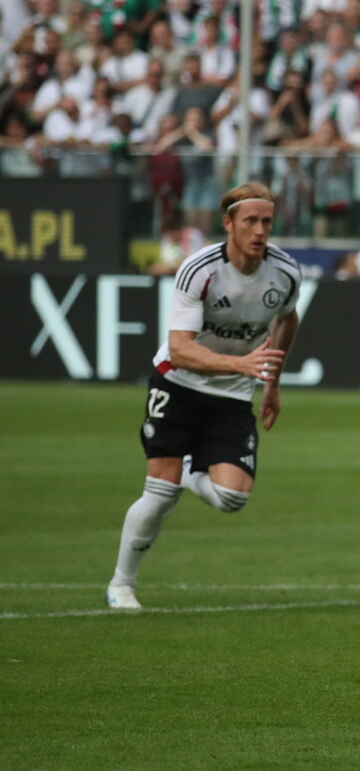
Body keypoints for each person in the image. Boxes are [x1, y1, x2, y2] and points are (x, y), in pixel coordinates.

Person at [106, 183, 302, 610]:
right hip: (177, 385)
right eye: (250, 220)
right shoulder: (200, 269)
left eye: (266, 221)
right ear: (228, 223)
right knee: (159, 494)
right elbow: (180, 348)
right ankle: (122, 584)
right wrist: (243, 366)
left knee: (233, 497)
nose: (260, 230)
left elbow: (288, 318)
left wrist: (272, 381)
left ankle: (195, 469)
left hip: (231, 394)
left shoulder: (285, 273)